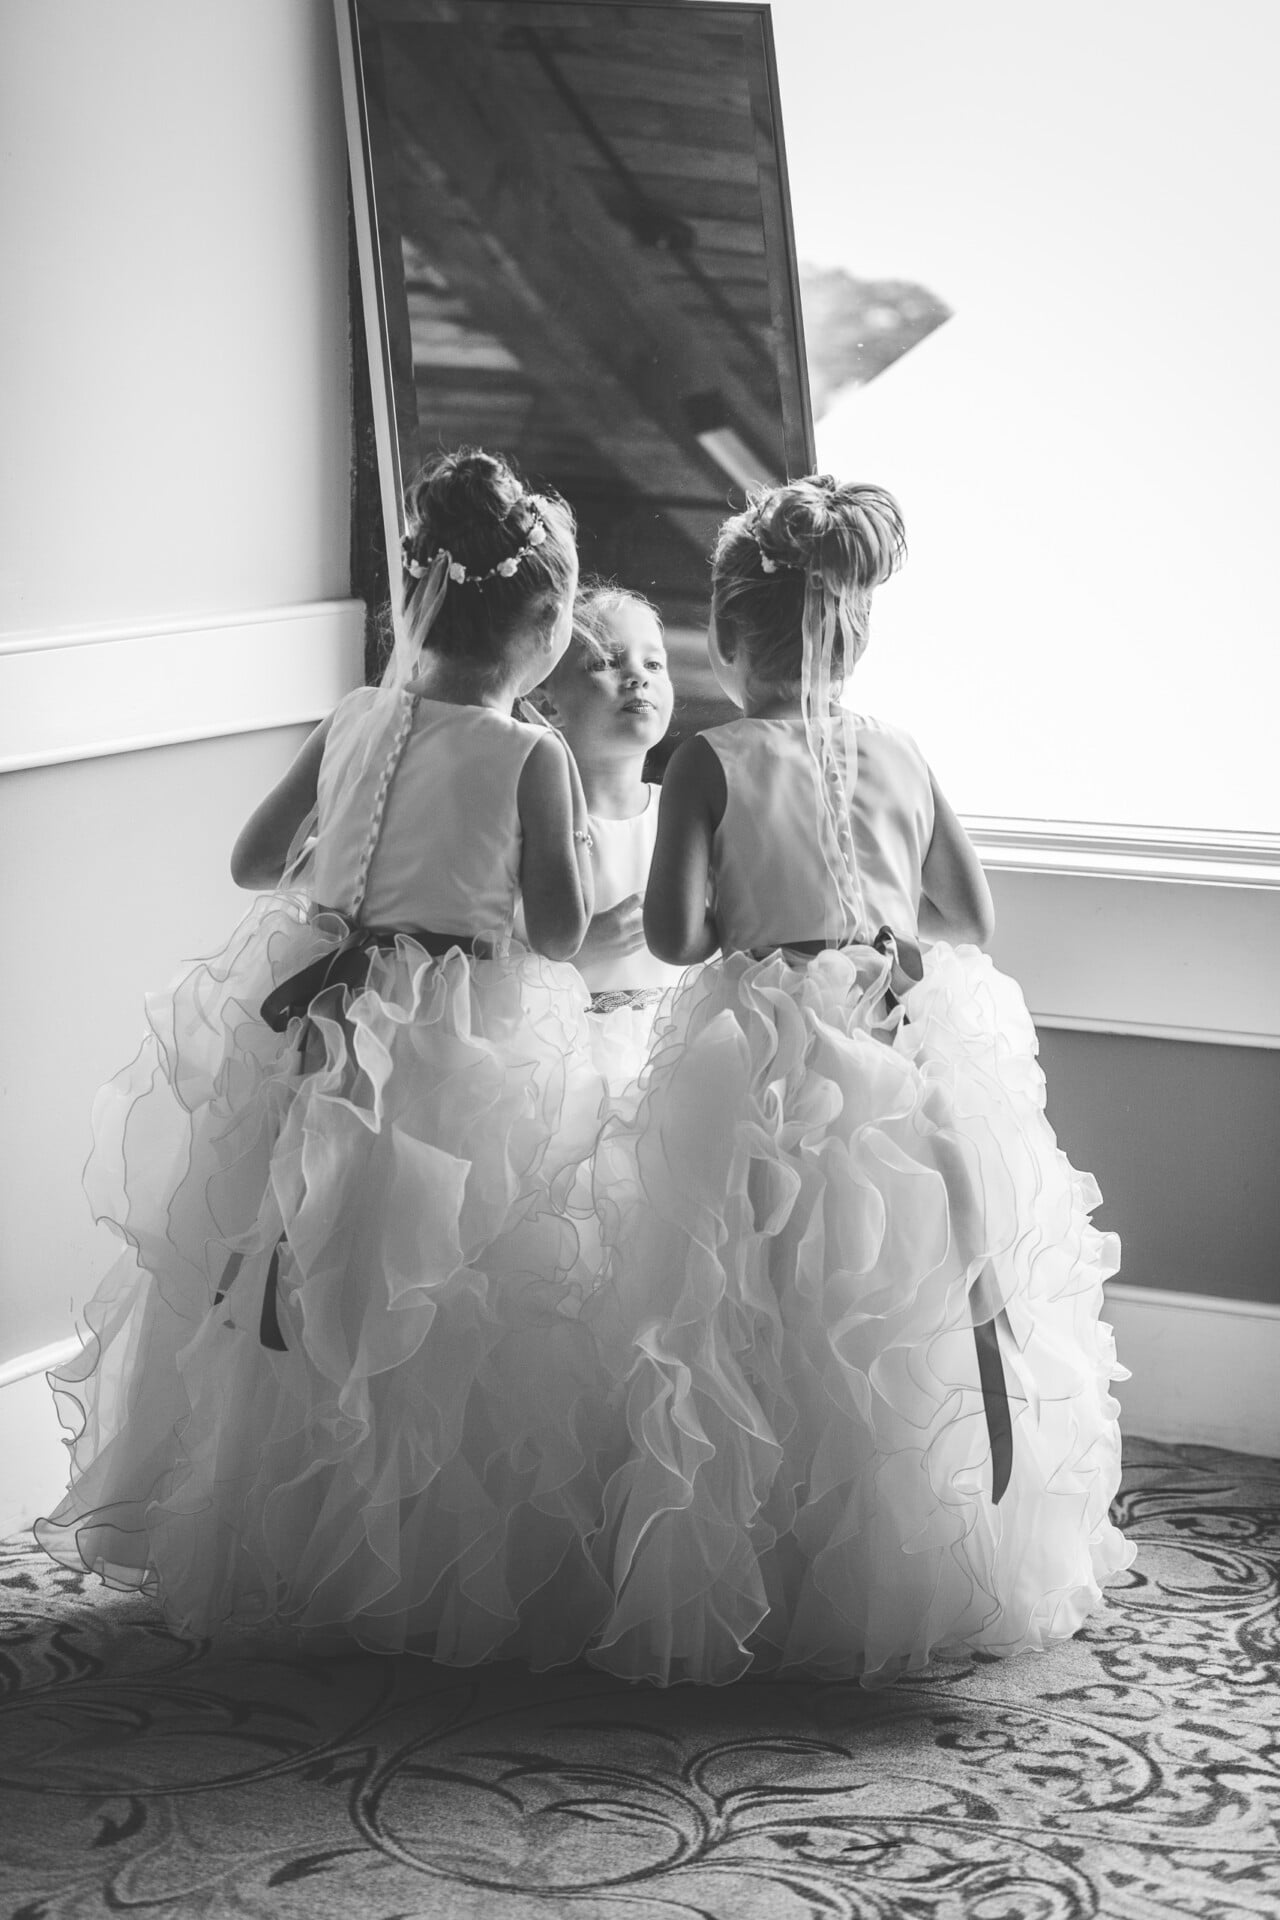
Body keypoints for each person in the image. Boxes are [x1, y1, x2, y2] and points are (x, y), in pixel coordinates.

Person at [37, 448, 619, 1667]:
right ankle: (400, 1556)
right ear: (546, 619)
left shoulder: (355, 717)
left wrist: (354, 891)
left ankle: (271, 1540)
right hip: (453, 1032)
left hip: (309, 1006)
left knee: (287, 1264)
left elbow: (256, 862)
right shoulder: (530, 756)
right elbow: (560, 934)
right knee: (436, 1278)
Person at [583, 475, 1134, 1687]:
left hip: (767, 1056)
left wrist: (728, 904)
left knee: (753, 1298)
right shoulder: (899, 749)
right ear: (856, 631)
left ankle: (772, 1564)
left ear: (724, 638)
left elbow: (676, 940)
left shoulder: (705, 763)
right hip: (895, 1036)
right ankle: (920, 1551)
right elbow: (969, 914)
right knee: (898, 1300)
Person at [530, 582, 687, 1095]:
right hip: (566, 1064)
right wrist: (580, 951)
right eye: (606, 663)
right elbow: (494, 962)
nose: (637, 675)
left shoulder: (682, 813)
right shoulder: (538, 824)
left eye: (654, 665)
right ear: (547, 703)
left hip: (675, 1057)